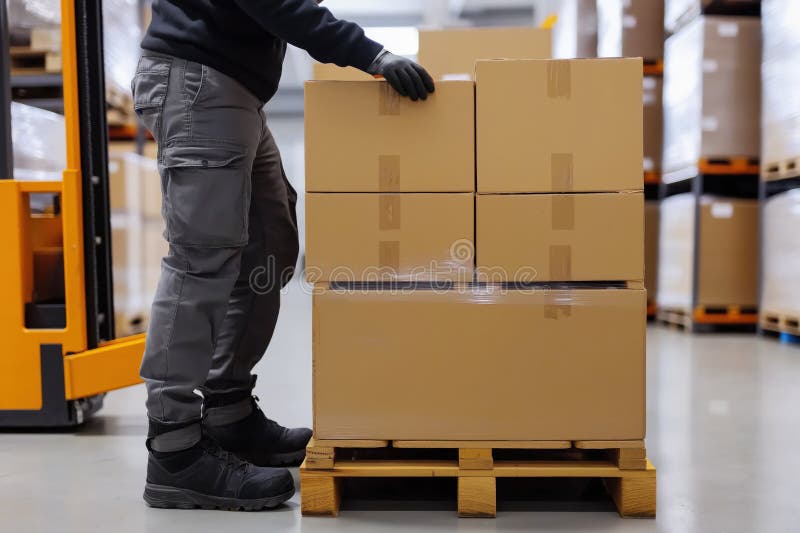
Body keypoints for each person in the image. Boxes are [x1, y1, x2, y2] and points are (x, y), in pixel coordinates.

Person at [131, 0, 435, 511]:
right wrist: (372, 54)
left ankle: (227, 413)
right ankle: (174, 449)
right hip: (198, 81)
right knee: (199, 260)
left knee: (269, 244)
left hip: (236, 87)